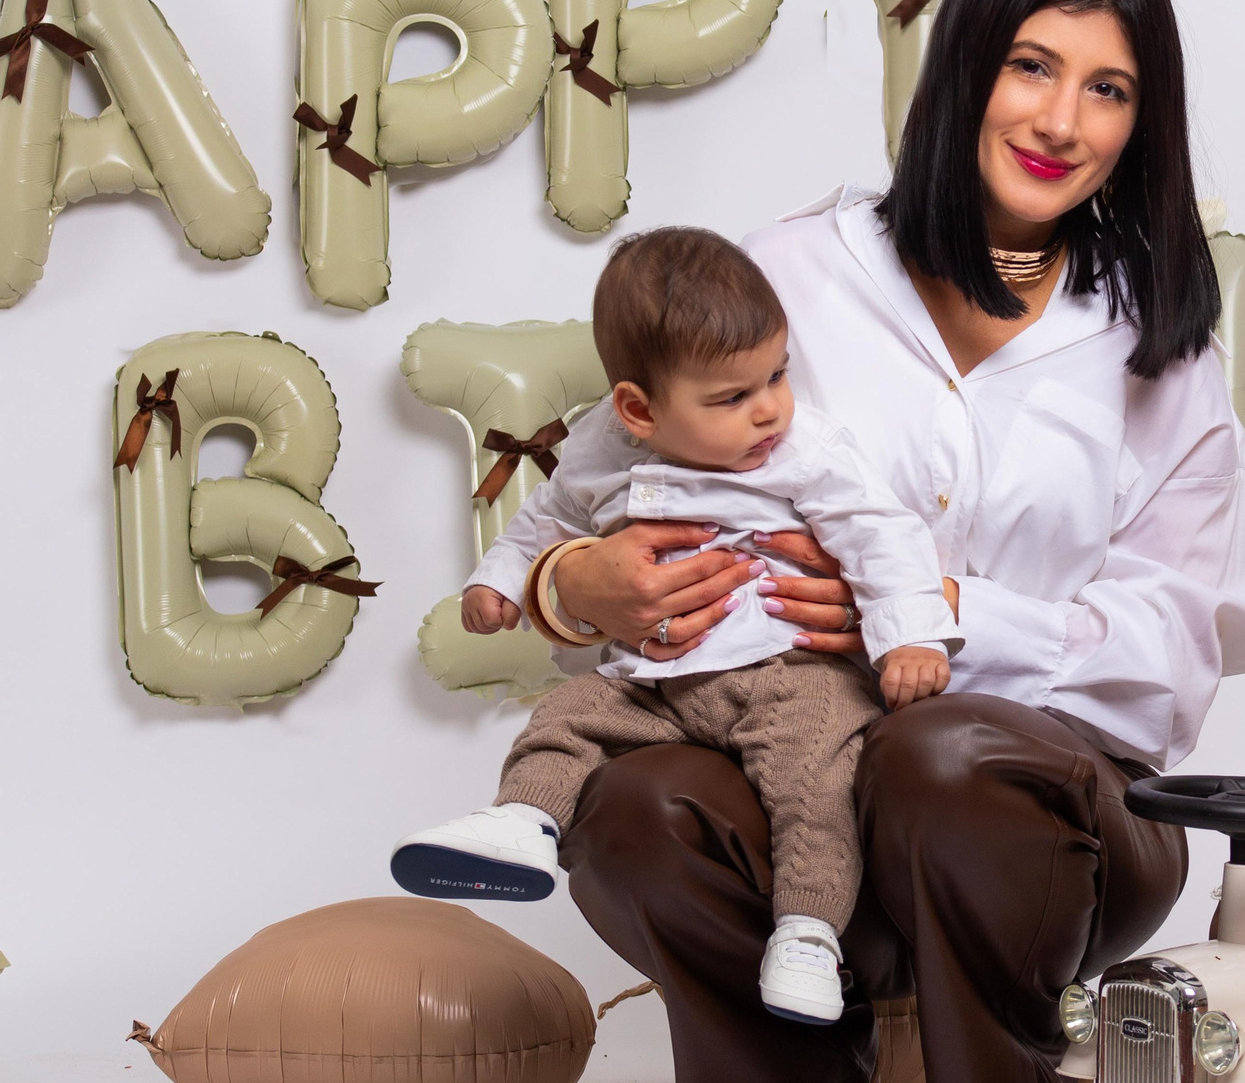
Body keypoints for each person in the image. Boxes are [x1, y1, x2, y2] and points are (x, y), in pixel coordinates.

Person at [530, 0, 1245, 1083]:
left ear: (1141, 122)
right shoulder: (791, 274)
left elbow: (1173, 654)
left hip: (1057, 825)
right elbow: (606, 474)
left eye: (1109, 88)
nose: (1063, 118)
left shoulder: (1158, 341)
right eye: (1031, 66)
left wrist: (946, 619)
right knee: (630, 803)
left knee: (939, 755)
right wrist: (567, 587)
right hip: (788, 772)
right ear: (963, 70)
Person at [390, 227, 959, 1025]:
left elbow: (881, 532)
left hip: (788, 672)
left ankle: (807, 935)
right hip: (656, 682)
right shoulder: (597, 446)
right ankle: (523, 820)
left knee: (818, 782)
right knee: (567, 716)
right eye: (732, 397)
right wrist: (500, 584)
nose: (769, 408)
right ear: (638, 410)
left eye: (777, 376)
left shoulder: (803, 449)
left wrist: (909, 634)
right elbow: (542, 523)